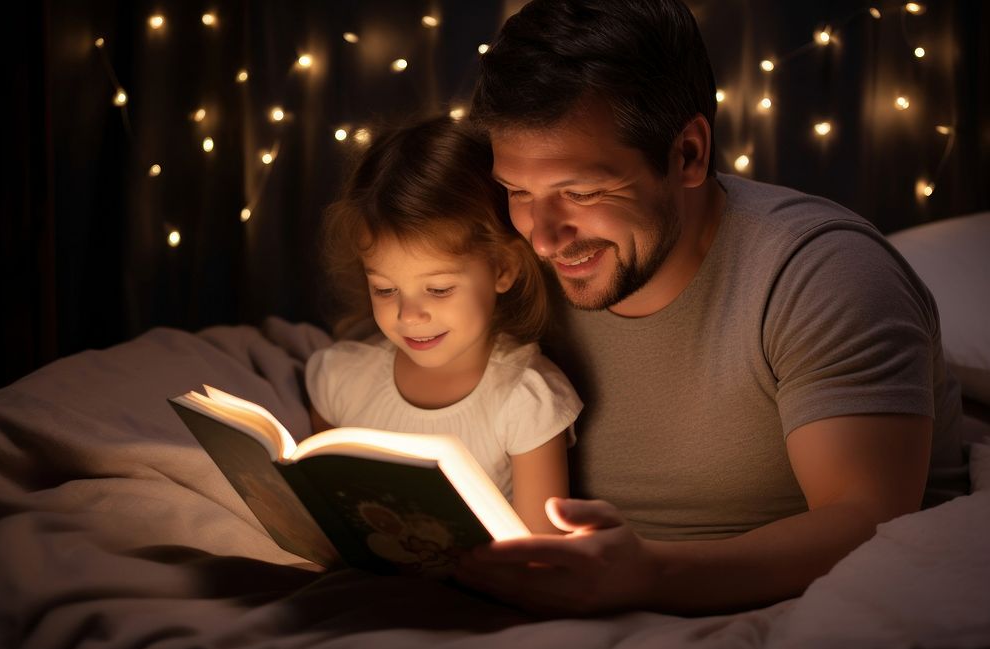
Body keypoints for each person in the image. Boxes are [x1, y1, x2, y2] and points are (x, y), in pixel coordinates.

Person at [454, 0, 968, 614]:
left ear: (689, 154)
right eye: (518, 192)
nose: (542, 236)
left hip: (799, 609)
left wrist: (648, 575)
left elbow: (867, 521)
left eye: (583, 192)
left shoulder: (822, 275)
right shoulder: (512, 262)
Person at [306, 116, 583, 535]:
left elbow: (543, 556)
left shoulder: (525, 401)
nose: (408, 315)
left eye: (437, 289)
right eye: (384, 289)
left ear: (503, 268)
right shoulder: (343, 380)